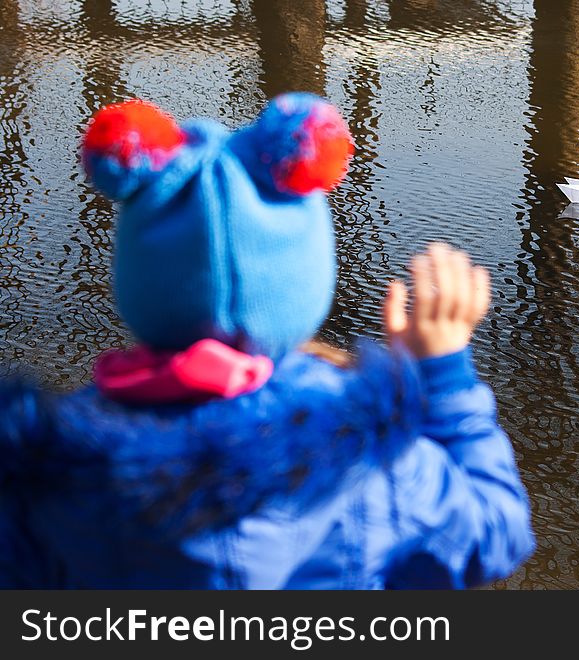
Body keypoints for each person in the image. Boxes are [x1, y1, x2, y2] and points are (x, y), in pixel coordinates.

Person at [0, 93, 534, 589]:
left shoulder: (54, 468)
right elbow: (497, 531)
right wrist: (442, 377)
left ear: (138, 287)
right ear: (306, 285)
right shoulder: (372, 462)